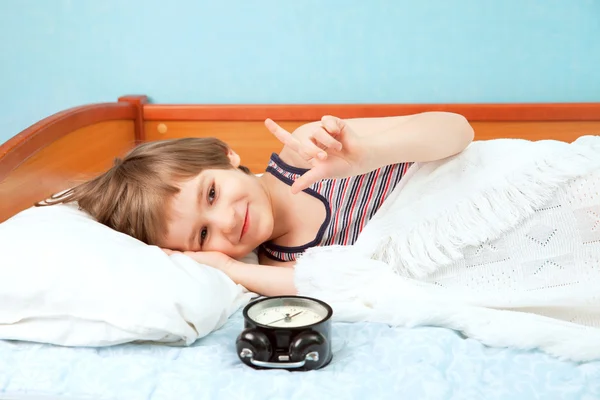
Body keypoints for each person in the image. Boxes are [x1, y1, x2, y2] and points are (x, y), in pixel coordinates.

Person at [40, 112, 474, 296]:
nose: (227, 220)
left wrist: (368, 153)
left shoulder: (311, 150)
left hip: (491, 186)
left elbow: (458, 130)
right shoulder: (275, 266)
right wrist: (231, 270)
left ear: (228, 156)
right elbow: (342, 288)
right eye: (203, 234)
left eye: (211, 194)